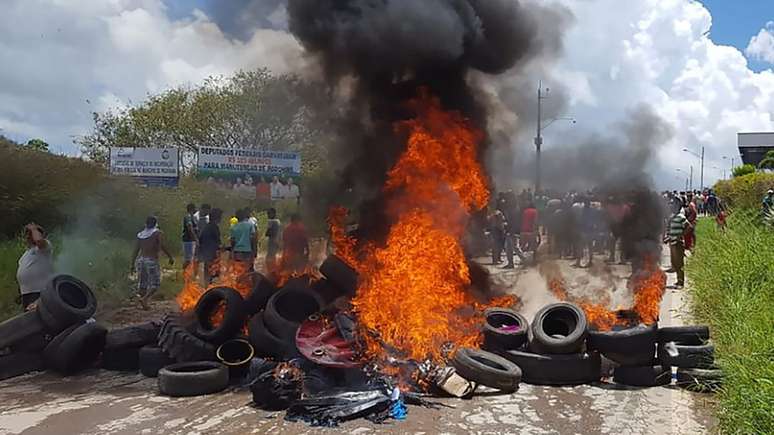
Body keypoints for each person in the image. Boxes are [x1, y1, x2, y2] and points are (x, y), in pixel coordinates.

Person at [130, 216, 174, 310]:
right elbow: (162, 245)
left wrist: (132, 264)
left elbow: (135, 250)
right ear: (155, 223)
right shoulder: (157, 233)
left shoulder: (140, 235)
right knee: (155, 284)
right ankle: (144, 299)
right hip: (151, 260)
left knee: (142, 283)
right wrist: (170, 256)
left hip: (141, 260)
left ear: (146, 223)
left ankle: (142, 302)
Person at [16, 223, 54, 311]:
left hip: (40, 292)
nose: (27, 237)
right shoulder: (26, 254)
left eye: (30, 234)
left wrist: (33, 228)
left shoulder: (44, 248)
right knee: (29, 320)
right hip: (26, 293)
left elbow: (39, 241)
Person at [664, 200, 690, 289]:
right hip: (672, 243)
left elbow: (689, 227)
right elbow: (671, 231)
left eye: (673, 206)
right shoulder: (672, 217)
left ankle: (681, 283)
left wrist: (680, 236)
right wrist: (668, 238)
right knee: (675, 264)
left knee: (679, 264)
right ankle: (678, 281)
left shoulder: (681, 217)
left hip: (678, 244)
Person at [197, 208, 223, 285]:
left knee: (208, 275)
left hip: (205, 254)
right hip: (212, 255)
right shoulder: (214, 227)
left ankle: (207, 288)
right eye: (220, 217)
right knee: (214, 274)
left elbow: (200, 240)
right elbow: (218, 243)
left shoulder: (206, 227)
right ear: (217, 218)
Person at [182, 203, 199, 271]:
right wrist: (195, 239)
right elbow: (190, 228)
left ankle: (190, 273)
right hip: (188, 240)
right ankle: (184, 272)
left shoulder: (193, 217)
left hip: (192, 240)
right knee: (188, 259)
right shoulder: (188, 217)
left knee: (193, 258)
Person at [265, 208, 281, 272]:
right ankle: (274, 271)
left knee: (269, 258)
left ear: (273, 214)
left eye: (269, 213)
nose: (268, 215)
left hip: (272, 241)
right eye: (267, 214)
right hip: (276, 241)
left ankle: (271, 271)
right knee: (273, 256)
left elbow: (267, 233)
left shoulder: (271, 221)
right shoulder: (278, 221)